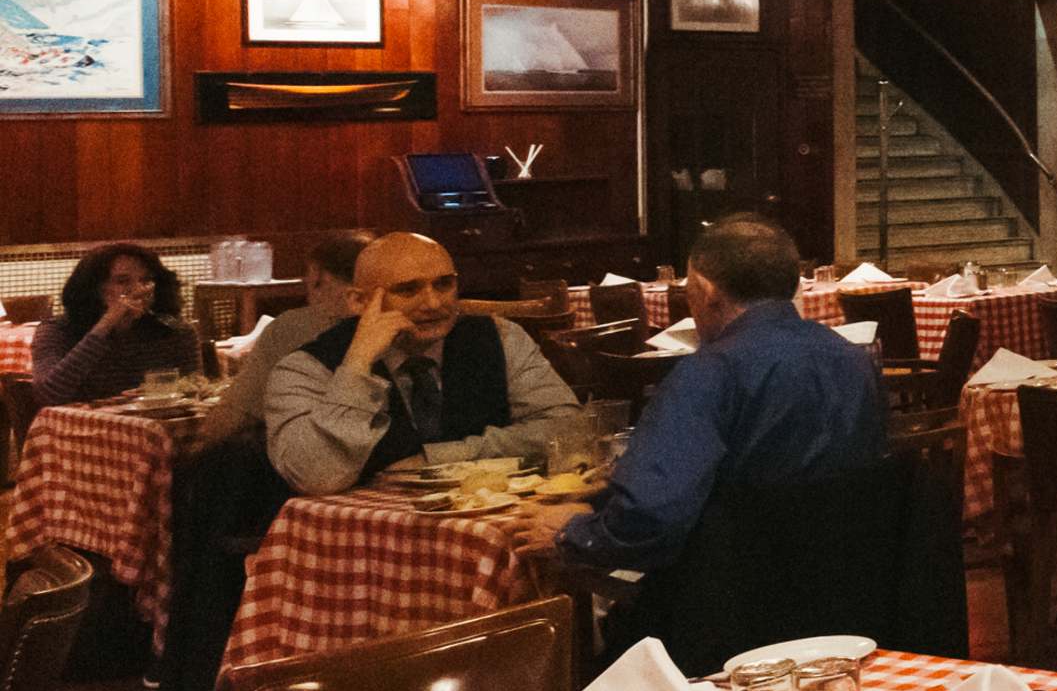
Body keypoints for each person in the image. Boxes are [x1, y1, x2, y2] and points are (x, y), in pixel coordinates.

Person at [560, 212, 890, 574]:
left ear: (705, 291)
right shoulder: (854, 359)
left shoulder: (710, 372)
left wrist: (573, 532)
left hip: (732, 597)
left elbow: (646, 523)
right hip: (847, 582)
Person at [259, 231, 584, 495]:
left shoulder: (500, 337)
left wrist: (441, 459)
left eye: (444, 284)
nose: (433, 303)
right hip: (366, 546)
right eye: (408, 289)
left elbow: (570, 432)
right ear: (358, 301)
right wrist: (357, 366)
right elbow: (316, 478)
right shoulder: (305, 368)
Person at [196, 232, 367, 446]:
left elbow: (238, 412)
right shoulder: (399, 323)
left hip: (308, 456)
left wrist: (198, 445)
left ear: (317, 276)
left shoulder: (293, 327)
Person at [31, 242, 202, 405]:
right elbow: (49, 393)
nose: (138, 289)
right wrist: (106, 324)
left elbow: (195, 392)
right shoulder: (57, 330)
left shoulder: (175, 331)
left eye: (146, 280)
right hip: (83, 430)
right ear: (95, 288)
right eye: (122, 281)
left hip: (157, 427)